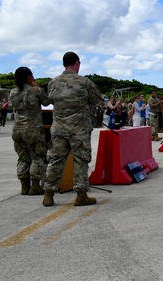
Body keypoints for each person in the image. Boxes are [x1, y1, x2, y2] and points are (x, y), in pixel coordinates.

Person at [42, 51, 105, 207]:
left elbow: (49, 100)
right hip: (79, 129)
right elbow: (97, 100)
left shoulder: (53, 83)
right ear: (77, 63)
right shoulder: (85, 83)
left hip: (58, 129)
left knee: (55, 160)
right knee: (81, 161)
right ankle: (81, 194)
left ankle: (48, 194)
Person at [9, 66, 49, 195]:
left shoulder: (13, 92)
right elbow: (46, 102)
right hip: (32, 129)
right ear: (28, 77)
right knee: (37, 156)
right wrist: (36, 85)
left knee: (23, 158)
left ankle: (24, 186)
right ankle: (35, 185)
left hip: (17, 128)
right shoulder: (35, 90)